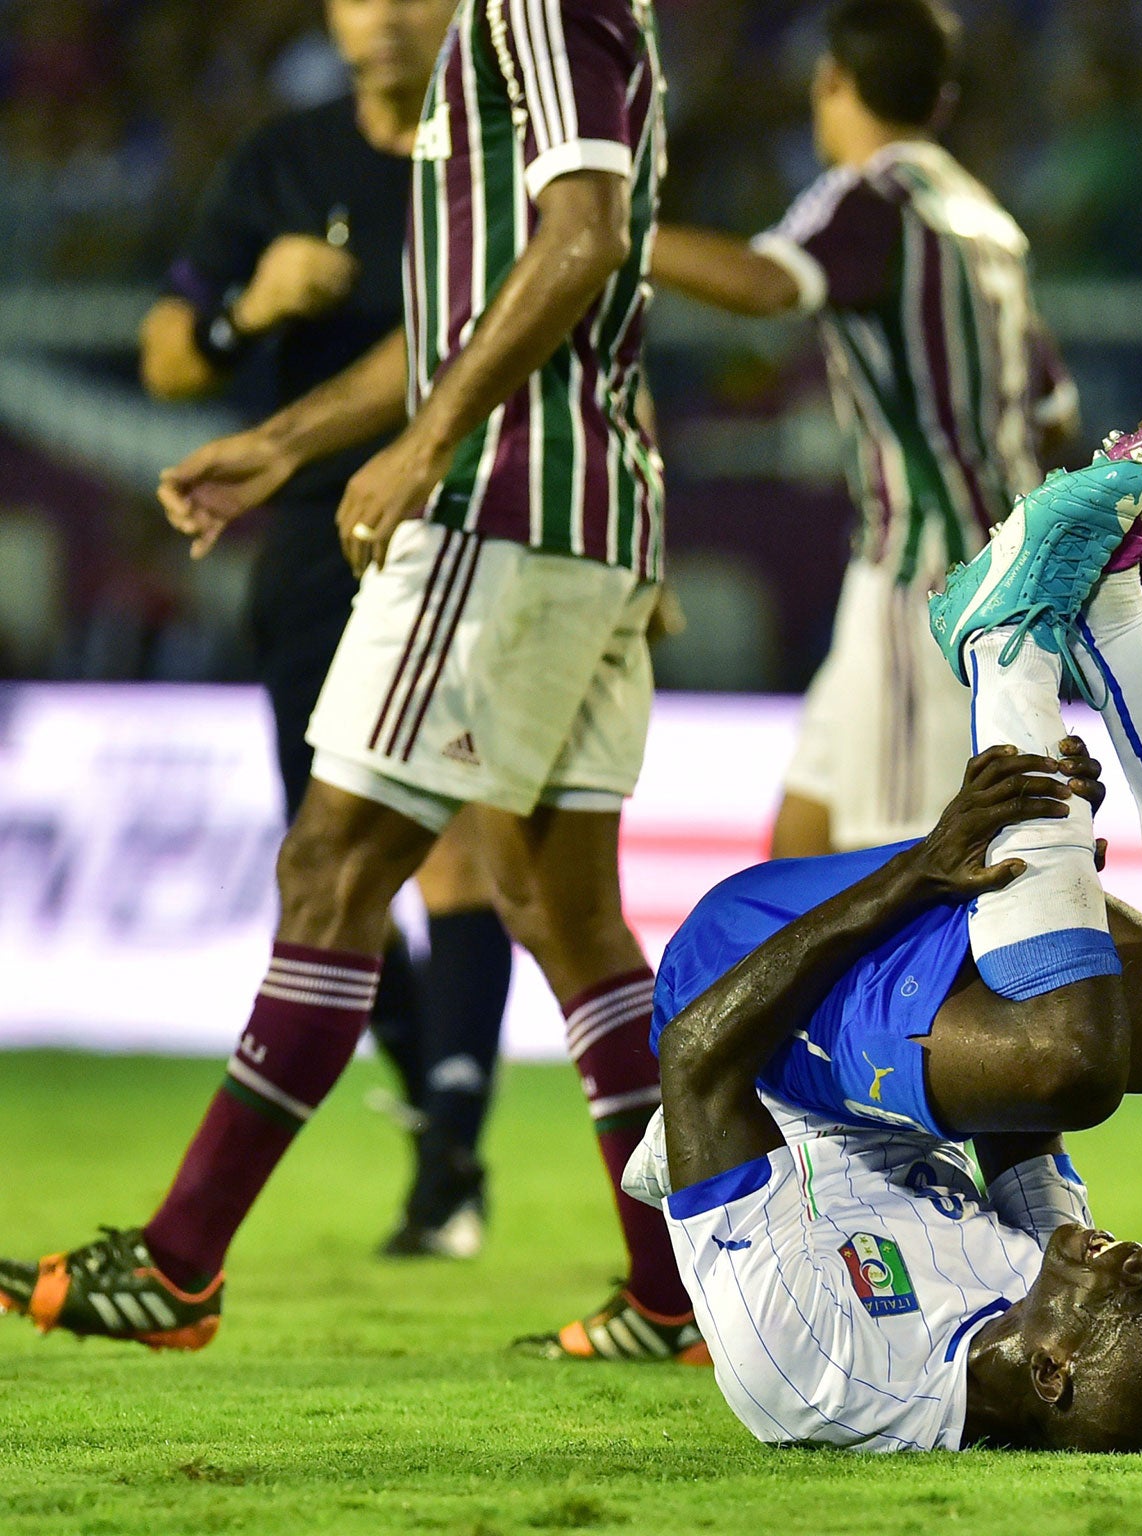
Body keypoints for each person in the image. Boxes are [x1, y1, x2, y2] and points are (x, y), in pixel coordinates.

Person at [1, 0, 694, 1362]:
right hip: (586, 516)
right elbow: (482, 303)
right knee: (568, 914)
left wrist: (428, 443)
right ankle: (674, 1295)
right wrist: (285, 439)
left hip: (506, 505)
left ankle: (181, 1261)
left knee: (330, 867)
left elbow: (584, 242)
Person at [626, 418, 1142, 1451]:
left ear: (1052, 1374)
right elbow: (1017, 1120)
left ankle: (999, 645)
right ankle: (1112, 611)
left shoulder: (817, 1369)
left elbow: (696, 1062)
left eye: (1136, 1295)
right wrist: (1055, 865)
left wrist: (919, 872)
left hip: (746, 995)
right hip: (914, 1032)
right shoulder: (1039, 1294)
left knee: (1069, 1062)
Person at [136, 0, 513, 1261]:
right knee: (326, 858)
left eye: (412, 0)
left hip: (459, 516)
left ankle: (453, 1160)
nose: (385, 22)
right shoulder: (280, 161)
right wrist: (252, 308)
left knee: (453, 845)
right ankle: (432, 1122)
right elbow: (170, 357)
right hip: (307, 537)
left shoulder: (494, 150)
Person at [647, 0, 1078, 859]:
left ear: (831, 81)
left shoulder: (869, 200)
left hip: (923, 579)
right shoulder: (987, 221)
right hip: (979, 567)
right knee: (799, 848)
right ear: (942, 103)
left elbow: (767, 285)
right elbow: (1054, 415)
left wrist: (615, 234)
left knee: (909, 864)